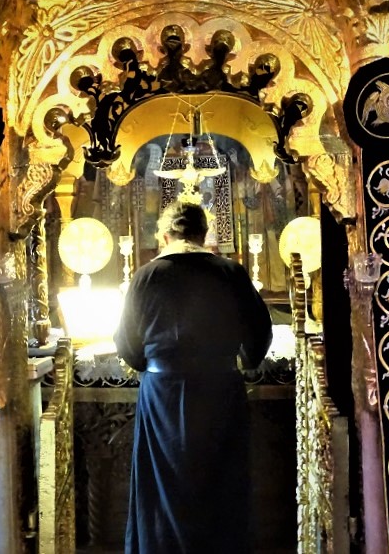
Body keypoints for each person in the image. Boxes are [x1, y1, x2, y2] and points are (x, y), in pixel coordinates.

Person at [114, 201, 273, 554]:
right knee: (220, 482)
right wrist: (246, 360)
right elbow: (259, 334)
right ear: (204, 235)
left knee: (163, 486)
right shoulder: (230, 273)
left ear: (165, 236)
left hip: (162, 396)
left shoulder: (146, 276)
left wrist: (152, 363)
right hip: (220, 390)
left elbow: (127, 344)